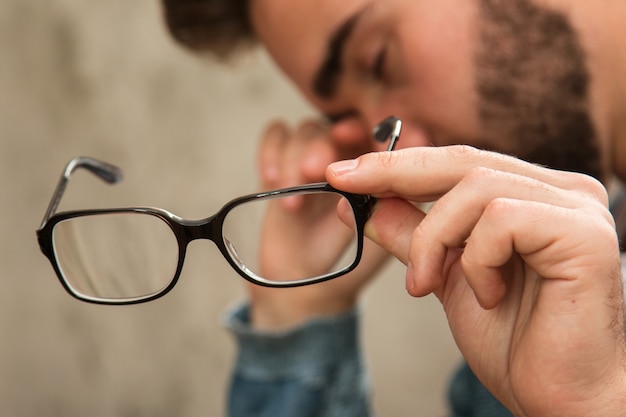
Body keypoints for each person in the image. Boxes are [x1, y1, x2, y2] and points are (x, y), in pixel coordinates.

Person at [161, 0, 626, 415]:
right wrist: (297, 318)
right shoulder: (541, 333)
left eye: (378, 59)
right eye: (346, 121)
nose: (400, 154)